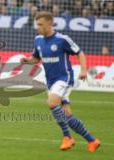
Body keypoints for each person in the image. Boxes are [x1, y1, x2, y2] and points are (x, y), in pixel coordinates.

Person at [21, 11, 100, 152]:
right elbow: (36, 58)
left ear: (50, 24)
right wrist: (28, 61)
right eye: (36, 24)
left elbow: (79, 52)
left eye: (40, 24)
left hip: (64, 78)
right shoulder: (38, 40)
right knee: (67, 115)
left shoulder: (62, 39)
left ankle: (67, 137)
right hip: (51, 81)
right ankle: (92, 140)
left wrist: (83, 70)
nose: (37, 27)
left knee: (51, 103)